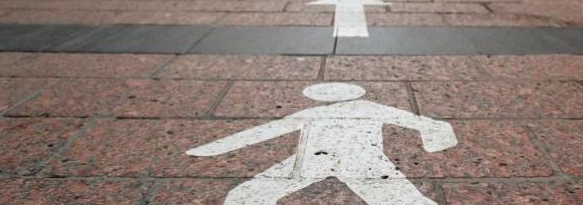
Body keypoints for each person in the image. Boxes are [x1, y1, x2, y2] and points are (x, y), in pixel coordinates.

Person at [187, 83, 458, 204]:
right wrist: (214, 148)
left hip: (362, 161)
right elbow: (265, 131)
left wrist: (214, 149)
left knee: (403, 201)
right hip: (313, 159)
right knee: (247, 195)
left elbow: (430, 125)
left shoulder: (365, 107)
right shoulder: (314, 113)